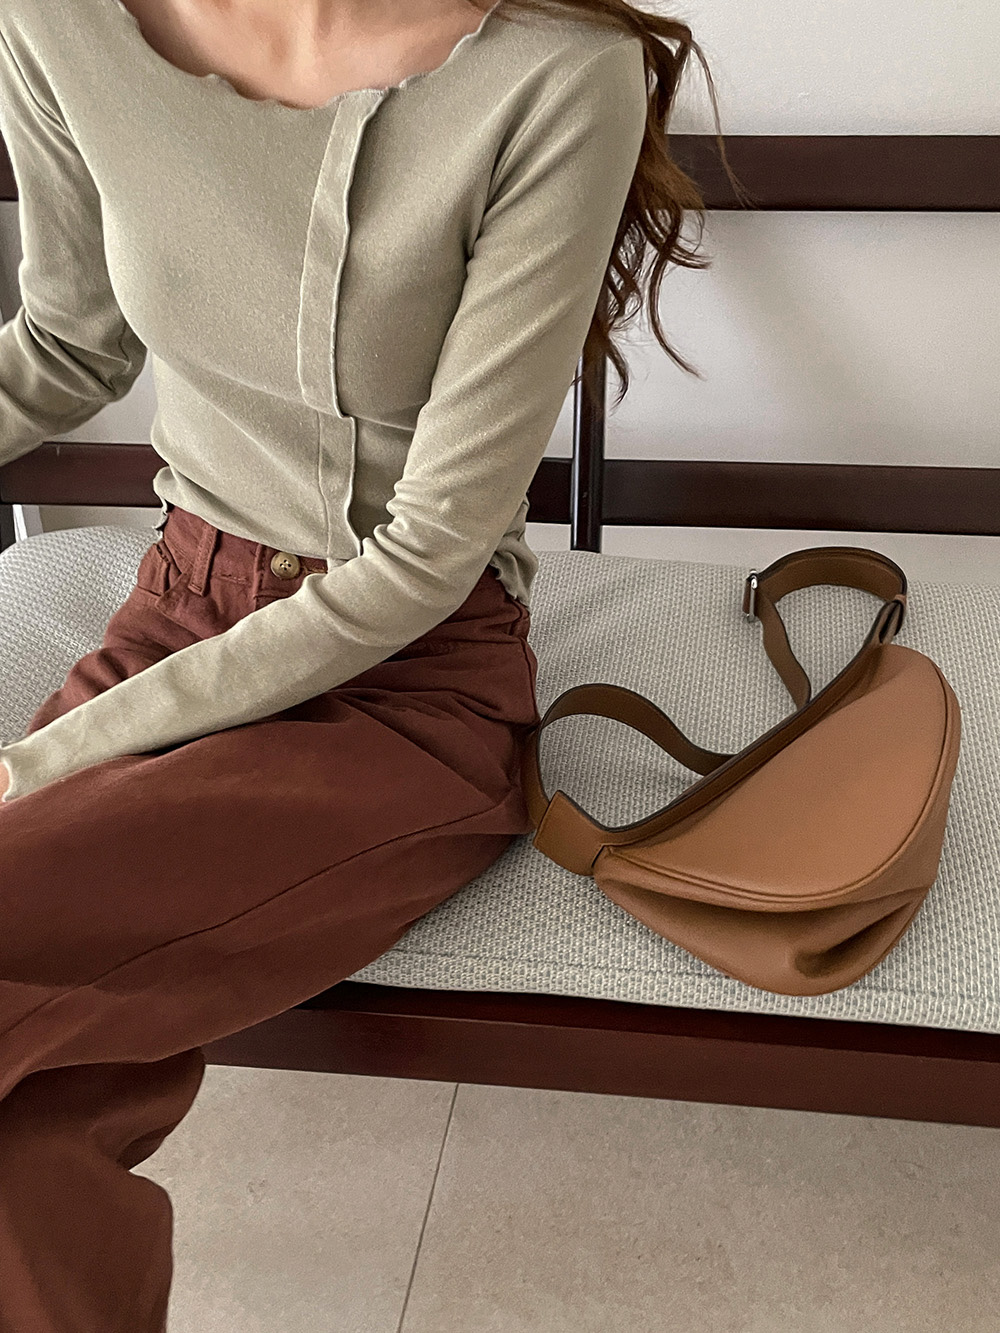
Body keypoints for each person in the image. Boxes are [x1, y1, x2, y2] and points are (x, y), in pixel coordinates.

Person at [0, 0, 742, 1325]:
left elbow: (424, 560)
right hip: (178, 618)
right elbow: (67, 347)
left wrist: (38, 763)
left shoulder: (557, 79)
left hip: (406, 685)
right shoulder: (62, 25)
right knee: (21, 1135)